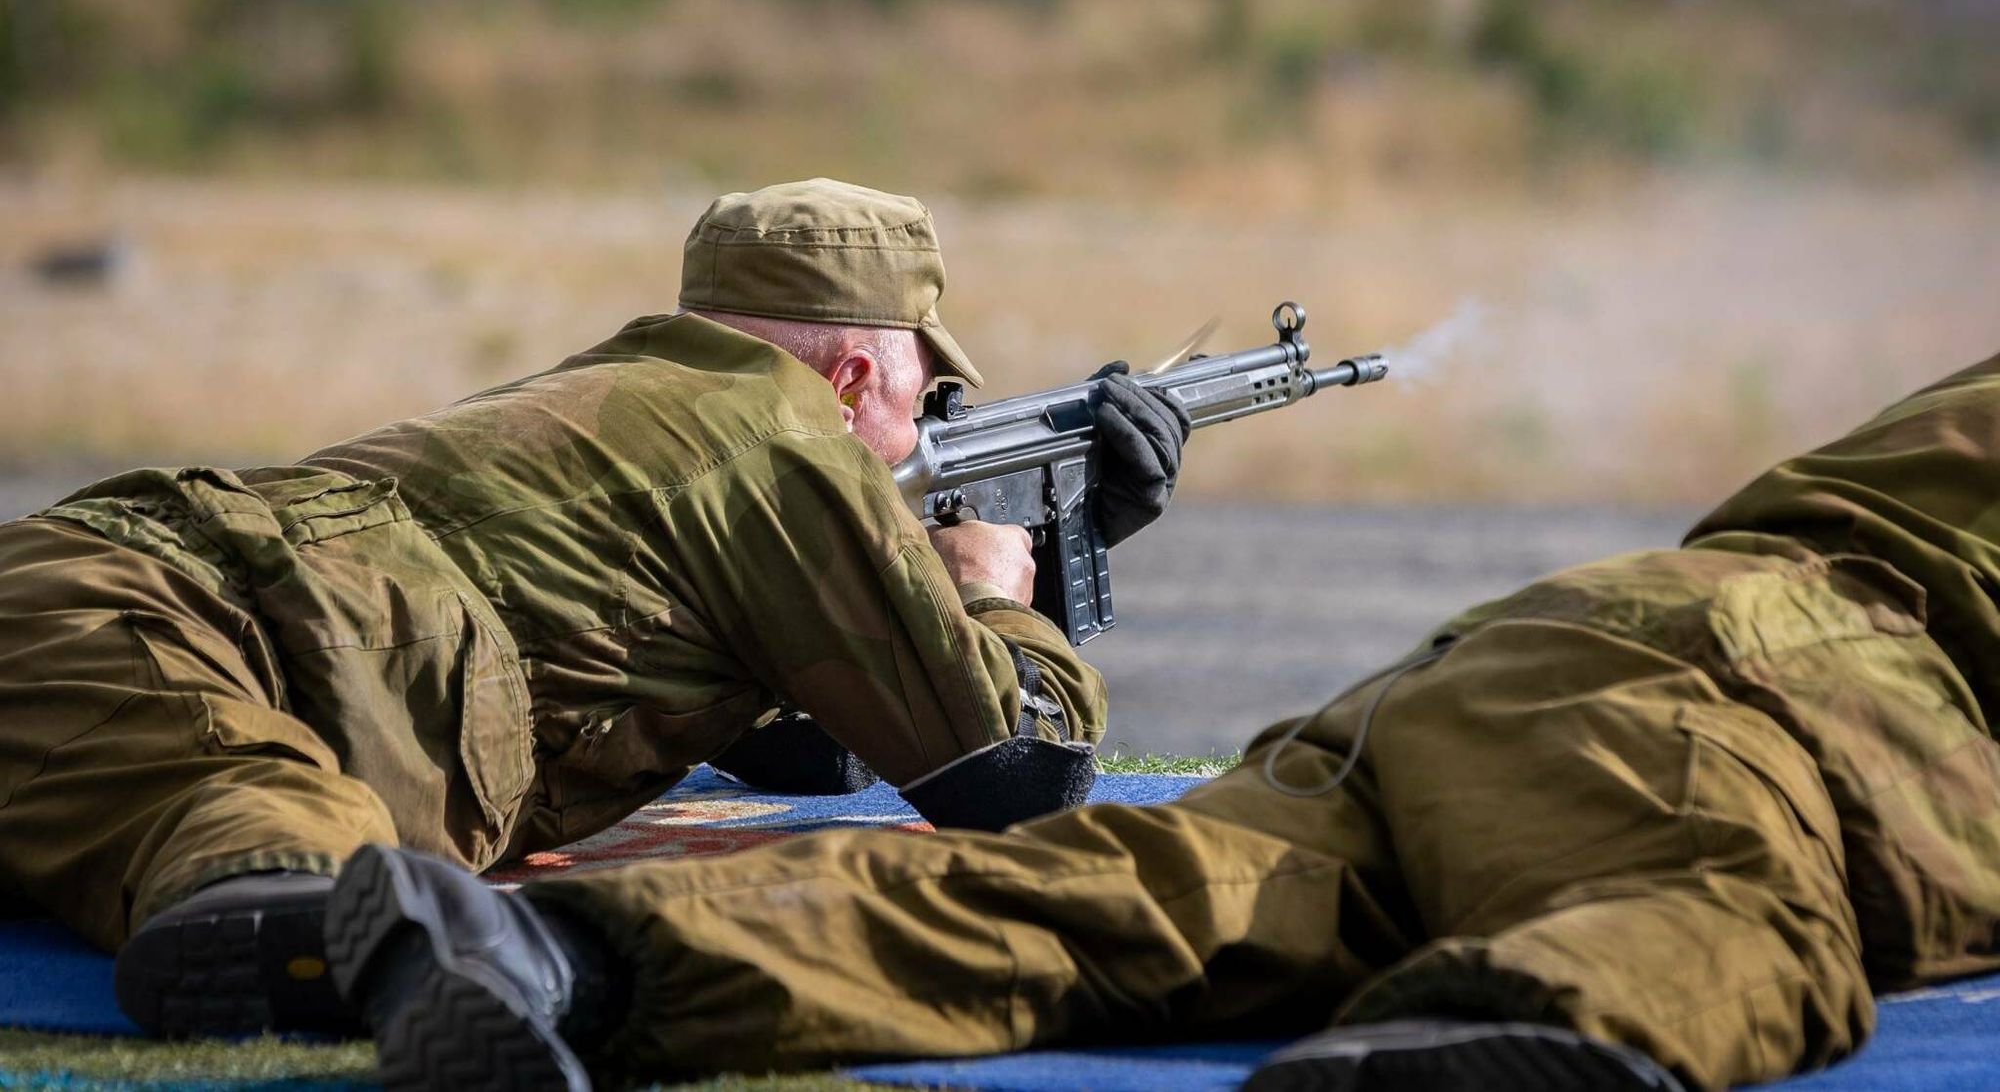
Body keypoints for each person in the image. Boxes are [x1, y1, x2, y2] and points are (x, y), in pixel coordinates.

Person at [320, 353, 2000, 1092]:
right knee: (1721, 914)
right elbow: (968, 742)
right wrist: (1004, 579)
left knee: (1099, 902)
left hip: (1511, 667)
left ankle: (565, 960)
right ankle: (1493, 1049)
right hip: (1794, 678)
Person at [0, 179, 1191, 1038]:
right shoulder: (780, 440)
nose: (914, 443)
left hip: (77, 585)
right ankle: (313, 938)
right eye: (923, 400)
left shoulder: (612, 401)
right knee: (268, 821)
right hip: (159, 637)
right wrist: (993, 590)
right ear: (850, 380)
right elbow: (1011, 778)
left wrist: (1052, 537)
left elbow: (814, 757)